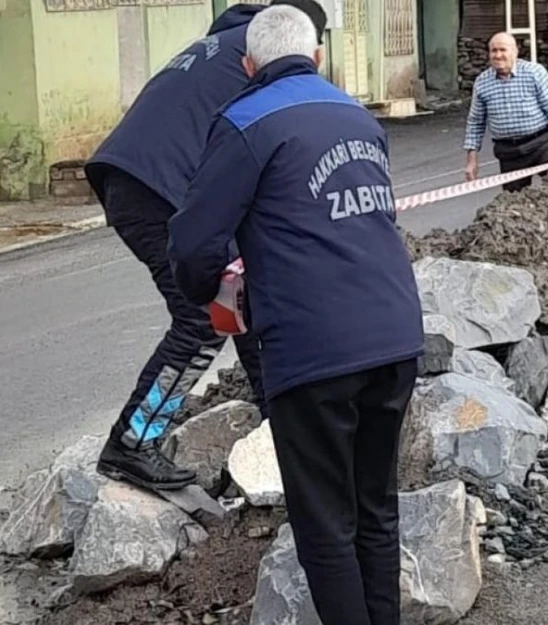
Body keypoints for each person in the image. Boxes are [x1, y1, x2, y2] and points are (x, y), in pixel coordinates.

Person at [166, 6, 424, 625]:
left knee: (326, 525)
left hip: (313, 350)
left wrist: (214, 294)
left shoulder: (246, 120)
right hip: (394, 336)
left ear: (248, 64)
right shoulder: (358, 116)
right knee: (376, 509)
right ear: (316, 58)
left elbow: (193, 245)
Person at [84, 0, 327, 492]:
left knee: (238, 298)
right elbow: (276, 149)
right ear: (309, 44)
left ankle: (276, 422)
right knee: (202, 317)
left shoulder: (224, 45)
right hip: (159, 187)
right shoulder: (267, 64)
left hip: (136, 179)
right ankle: (133, 442)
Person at [463, 31, 548, 191]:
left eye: (503, 50)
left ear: (515, 52)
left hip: (541, 144)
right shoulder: (482, 83)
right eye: (493, 51)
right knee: (513, 203)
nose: (498, 55)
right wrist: (471, 160)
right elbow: (475, 122)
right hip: (509, 152)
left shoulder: (534, 73)